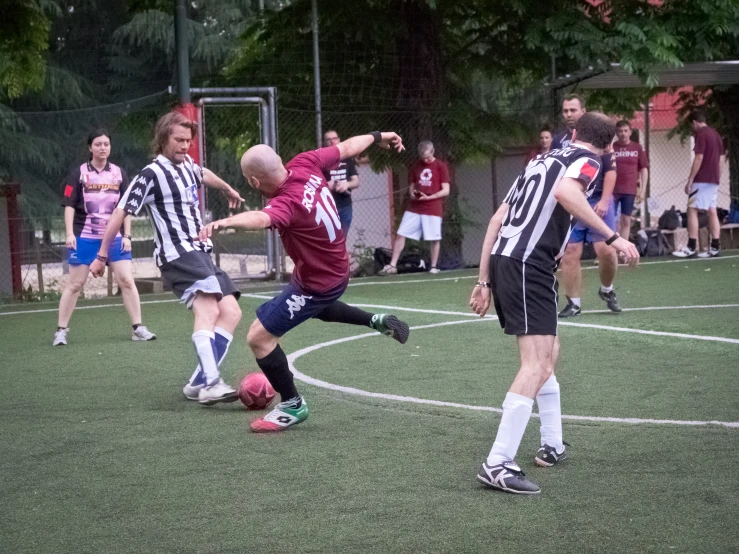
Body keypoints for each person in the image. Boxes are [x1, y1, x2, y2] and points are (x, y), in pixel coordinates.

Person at [469, 112, 639, 495]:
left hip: (510, 260)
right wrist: (614, 237)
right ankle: (498, 463)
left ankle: (553, 442)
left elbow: (498, 218)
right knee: (537, 363)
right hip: (528, 264)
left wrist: (484, 279)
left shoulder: (540, 160)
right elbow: (567, 193)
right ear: (609, 145)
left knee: (549, 353)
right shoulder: (589, 160)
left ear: (572, 132)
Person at [198, 131, 411, 433]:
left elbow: (261, 218)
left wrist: (224, 222)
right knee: (319, 308)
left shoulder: (287, 202)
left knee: (259, 338)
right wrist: (378, 136)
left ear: (254, 183)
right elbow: (348, 147)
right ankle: (377, 321)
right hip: (332, 269)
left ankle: (292, 405)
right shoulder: (306, 162)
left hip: (318, 281)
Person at [90, 112, 245, 406]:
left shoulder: (187, 165)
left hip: (200, 250)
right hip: (177, 254)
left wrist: (226, 188)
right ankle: (212, 382)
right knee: (209, 310)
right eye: (179, 140)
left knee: (232, 312)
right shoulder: (150, 175)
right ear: (163, 139)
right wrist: (101, 255)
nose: (185, 146)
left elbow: (203, 174)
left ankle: (198, 381)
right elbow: (119, 213)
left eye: (188, 140)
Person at [53, 129, 156, 346]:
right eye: (98, 144)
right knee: (75, 284)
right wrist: (70, 234)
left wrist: (127, 235)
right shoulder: (78, 174)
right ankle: (61, 331)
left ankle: (138, 328)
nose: (102, 148)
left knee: (127, 280)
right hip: (85, 236)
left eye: (106, 144)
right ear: (90, 148)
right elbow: (69, 206)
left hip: (116, 238)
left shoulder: (119, 173)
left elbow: (127, 207)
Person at [558, 144, 622, 316]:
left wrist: (604, 200)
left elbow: (610, 171)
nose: (569, 114)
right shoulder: (560, 140)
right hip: (576, 198)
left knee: (607, 251)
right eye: (565, 113)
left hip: (599, 199)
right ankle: (574, 303)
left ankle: (607, 289)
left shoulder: (601, 140)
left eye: (572, 113)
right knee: (570, 251)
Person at [378, 141, 450, 275]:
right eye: (423, 158)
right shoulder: (416, 165)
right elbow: (412, 185)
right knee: (401, 233)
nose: (426, 160)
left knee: (434, 238)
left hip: (433, 207)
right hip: (415, 207)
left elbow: (446, 190)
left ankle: (433, 266)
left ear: (433, 152)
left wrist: (430, 197)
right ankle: (392, 265)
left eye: (428, 157)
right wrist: (413, 194)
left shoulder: (441, 166)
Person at [673, 110, 725, 258]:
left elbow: (699, 157)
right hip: (713, 179)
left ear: (694, 122)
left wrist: (690, 180)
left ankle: (691, 247)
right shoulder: (716, 134)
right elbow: (721, 159)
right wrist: (717, 178)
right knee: (712, 210)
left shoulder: (701, 134)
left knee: (692, 210)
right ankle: (714, 247)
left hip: (702, 179)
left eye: (691, 125)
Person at [612, 120, 649, 239]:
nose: (623, 133)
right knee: (608, 221)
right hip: (612, 190)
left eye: (625, 131)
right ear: (616, 133)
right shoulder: (612, 147)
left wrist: (643, 190)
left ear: (630, 132)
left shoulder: (637, 147)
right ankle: (607, 250)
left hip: (629, 190)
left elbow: (644, 169)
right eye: (620, 131)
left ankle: (623, 250)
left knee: (626, 220)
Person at [322, 130, 359, 235]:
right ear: (325, 142)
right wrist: (329, 185)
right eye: (328, 139)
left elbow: (356, 181)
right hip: (327, 206)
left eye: (334, 138)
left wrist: (346, 184)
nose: (332, 141)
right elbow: (316, 184)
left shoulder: (347, 159)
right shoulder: (322, 161)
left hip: (345, 205)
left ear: (339, 140)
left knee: (342, 239)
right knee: (328, 239)